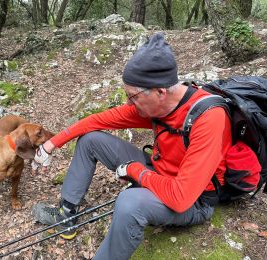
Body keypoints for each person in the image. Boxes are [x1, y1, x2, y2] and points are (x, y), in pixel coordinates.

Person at [31, 33, 232, 259]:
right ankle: (66, 215)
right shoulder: (155, 106)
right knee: (91, 140)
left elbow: (181, 197)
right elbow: (97, 120)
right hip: (159, 170)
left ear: (160, 92)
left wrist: (135, 171)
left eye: (132, 96)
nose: (128, 104)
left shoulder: (208, 118)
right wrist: (50, 144)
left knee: (128, 202)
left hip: (194, 201)